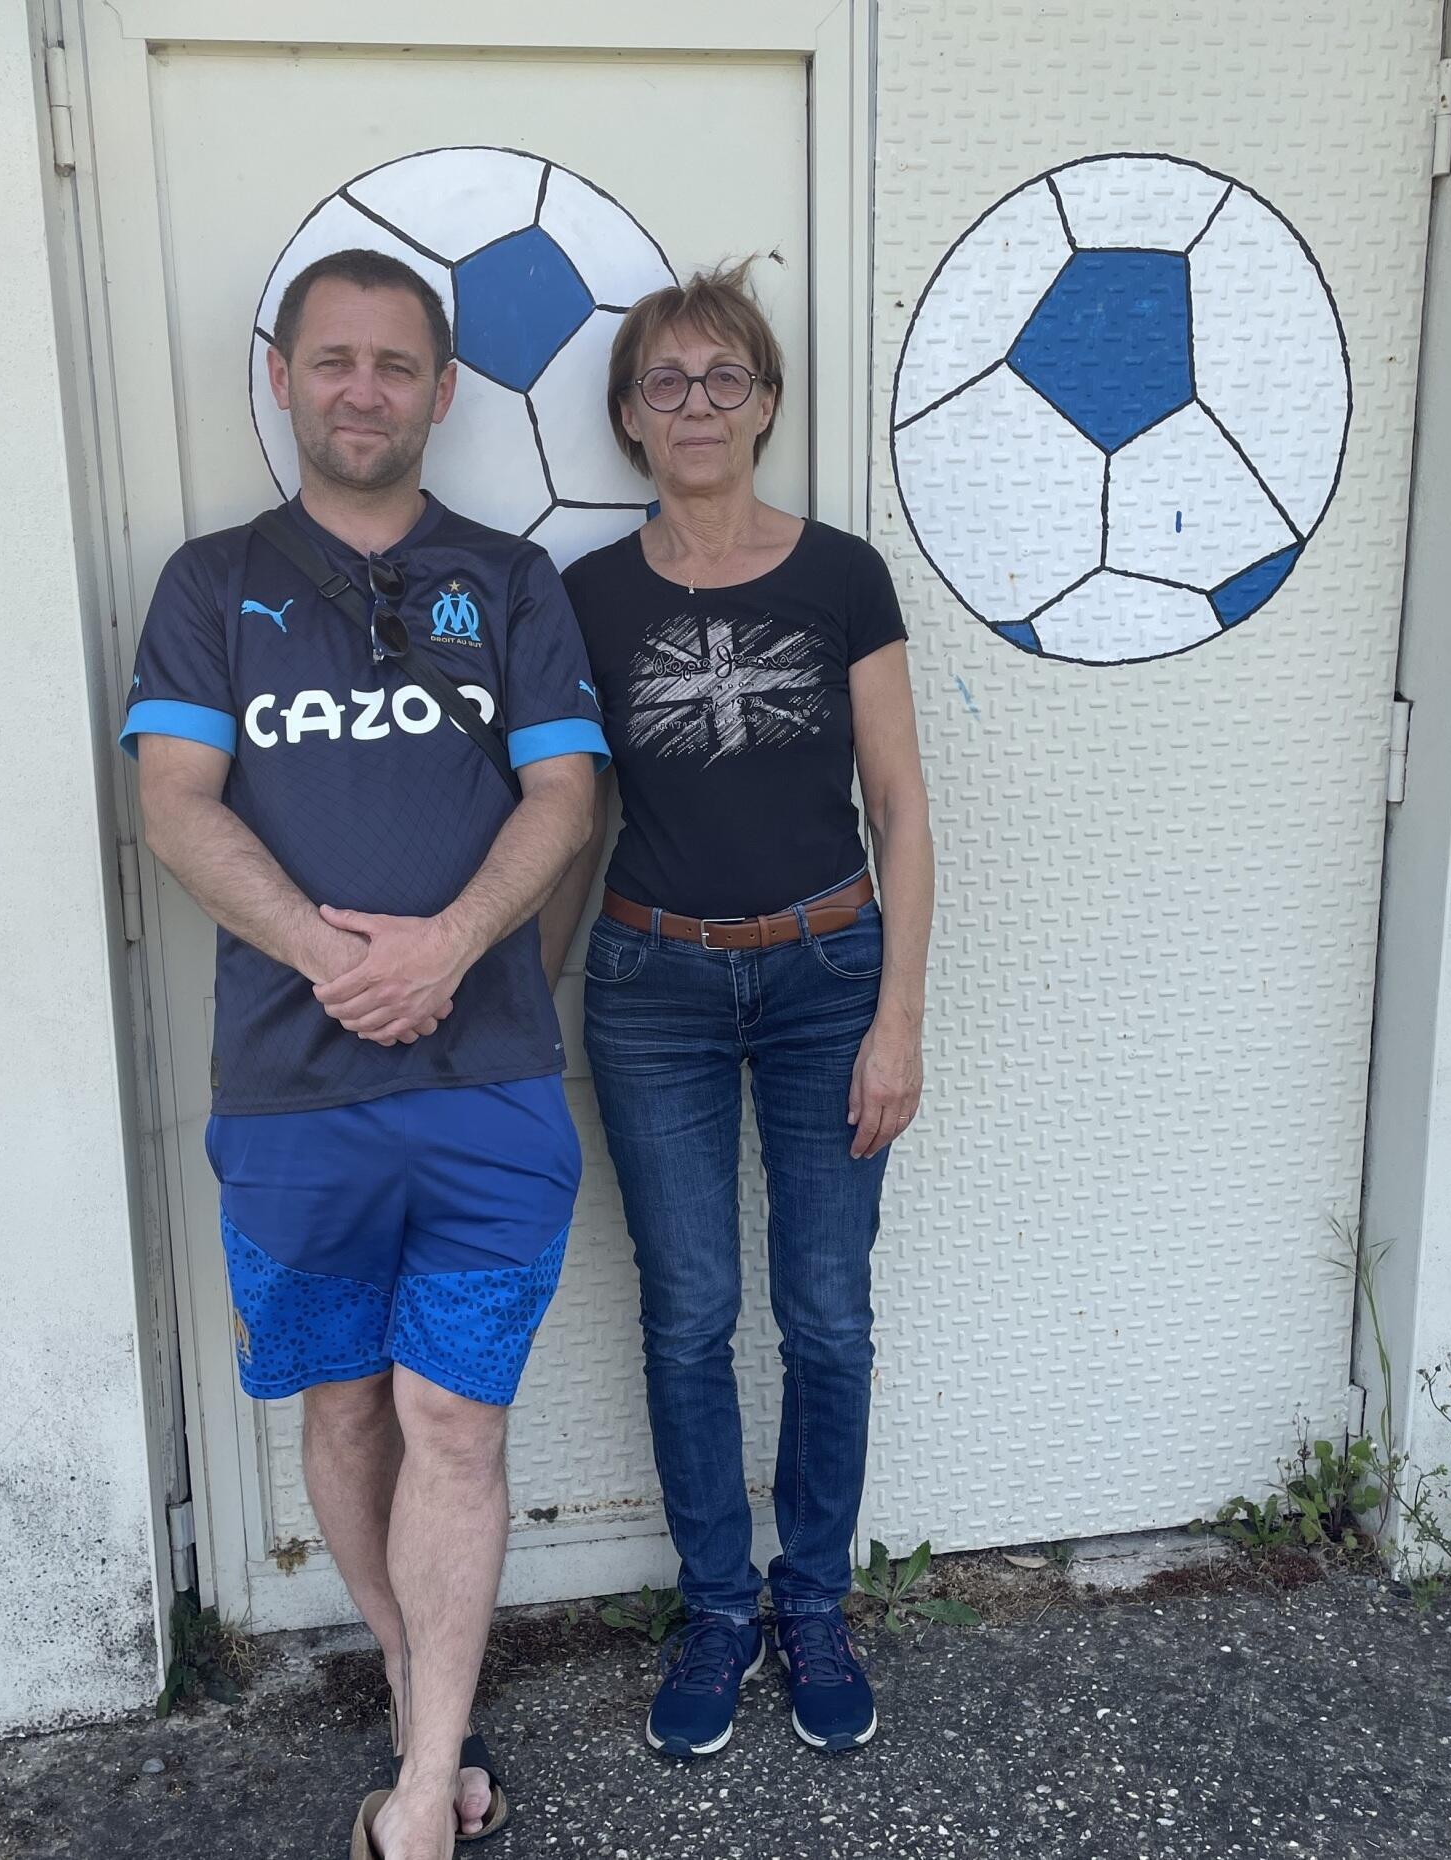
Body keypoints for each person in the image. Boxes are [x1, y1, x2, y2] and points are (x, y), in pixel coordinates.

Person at [120, 248, 606, 1860]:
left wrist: (448, 949)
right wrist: (340, 960)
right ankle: (415, 1687)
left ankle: (422, 1791)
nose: (363, 390)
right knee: (342, 1410)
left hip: (486, 1089)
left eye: (396, 365)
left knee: (456, 1423)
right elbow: (174, 802)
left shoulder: (514, 584)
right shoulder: (210, 584)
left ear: (443, 389)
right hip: (290, 1093)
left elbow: (563, 795)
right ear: (283, 377)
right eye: (333, 361)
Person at [538, 262, 935, 1758]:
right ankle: (716, 1608)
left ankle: (811, 1596)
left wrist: (898, 1018)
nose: (696, 405)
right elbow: (569, 822)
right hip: (652, 990)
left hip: (831, 975)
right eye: (664, 382)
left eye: (724, 378)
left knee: (829, 1313)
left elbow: (898, 808)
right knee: (690, 1313)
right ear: (631, 420)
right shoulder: (586, 599)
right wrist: (532, 999)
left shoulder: (842, 577)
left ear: (766, 402)